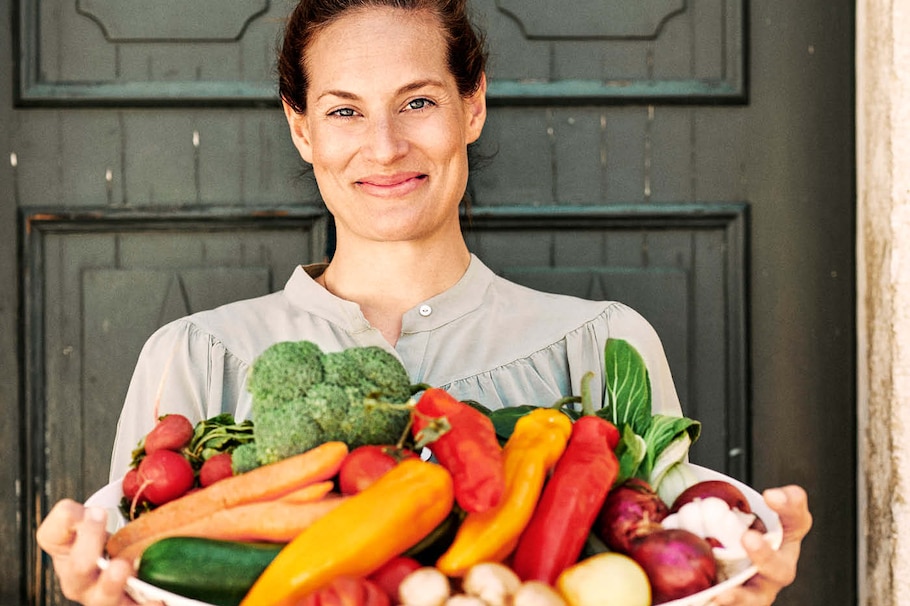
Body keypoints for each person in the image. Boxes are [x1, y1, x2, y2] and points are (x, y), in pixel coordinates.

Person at [35, 0, 813, 604]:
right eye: (343, 110)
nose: (382, 146)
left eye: (417, 103)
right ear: (300, 128)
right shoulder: (195, 356)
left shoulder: (602, 347)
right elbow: (145, 570)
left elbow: (666, 567)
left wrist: (738, 584)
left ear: (471, 106)